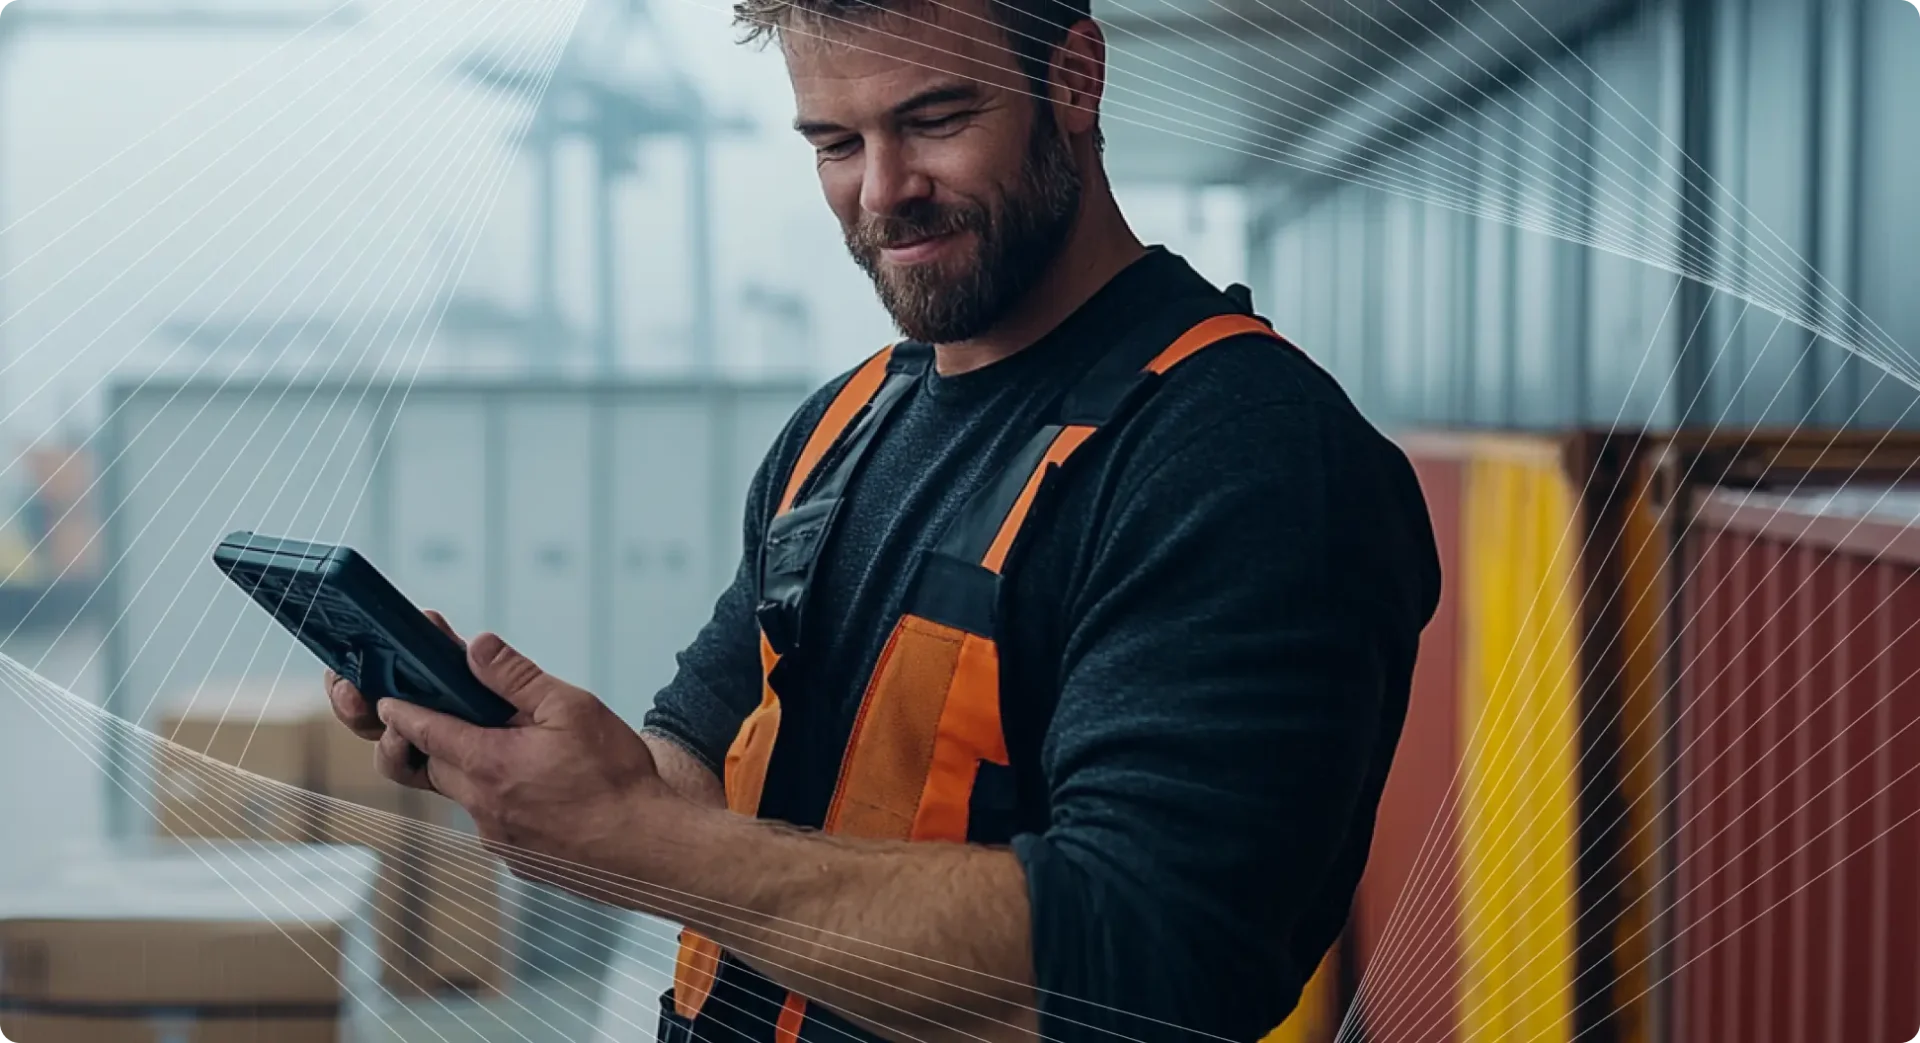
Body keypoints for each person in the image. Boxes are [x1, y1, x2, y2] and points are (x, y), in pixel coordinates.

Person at [325, 0, 1442, 1038]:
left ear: (1077, 78)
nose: (882, 190)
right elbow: (702, 775)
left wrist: (641, 839)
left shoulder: (1243, 453)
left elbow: (1141, 955)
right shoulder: (843, 423)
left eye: (937, 120)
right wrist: (545, 774)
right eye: (835, 144)